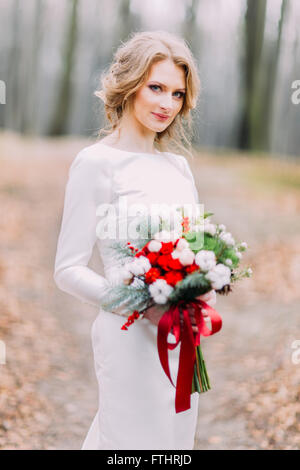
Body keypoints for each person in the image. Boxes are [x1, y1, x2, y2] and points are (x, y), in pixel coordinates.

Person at [53, 30, 217, 450]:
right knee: (128, 443)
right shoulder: (96, 164)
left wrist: (202, 291)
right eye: (156, 87)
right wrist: (138, 302)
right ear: (129, 86)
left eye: (178, 94)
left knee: (172, 444)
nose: (167, 104)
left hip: (181, 337)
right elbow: (67, 269)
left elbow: (198, 250)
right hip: (126, 336)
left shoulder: (179, 168)